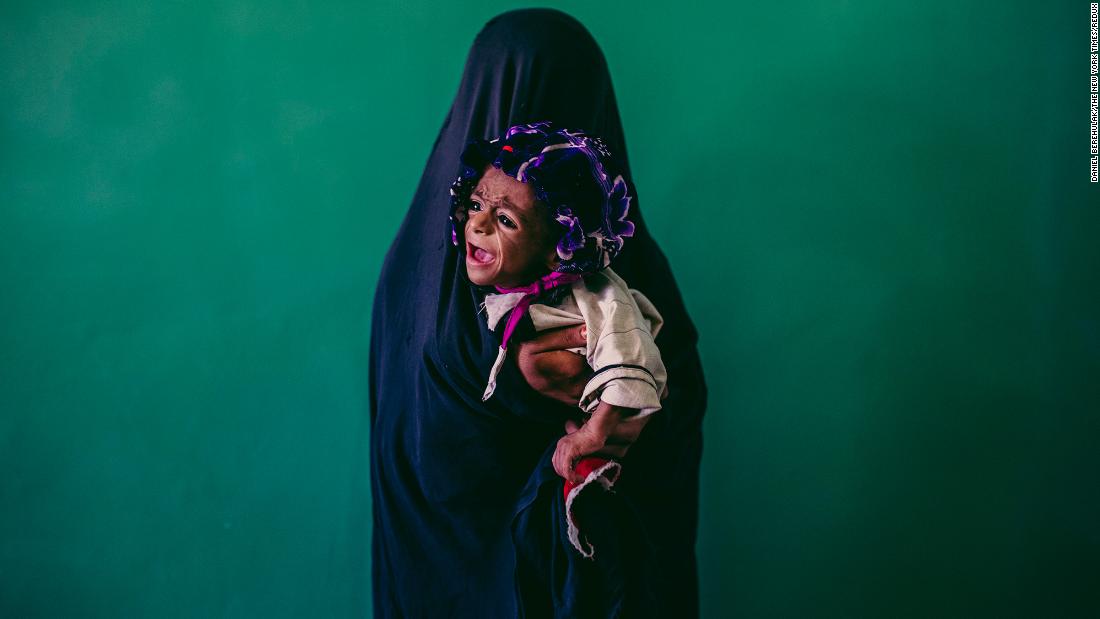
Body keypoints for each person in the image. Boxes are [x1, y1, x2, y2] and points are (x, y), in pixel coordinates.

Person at [369, 8, 707, 618]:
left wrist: (624, 407)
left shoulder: (631, 276)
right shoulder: (417, 279)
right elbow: (411, 434)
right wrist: (511, 384)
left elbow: (675, 400)